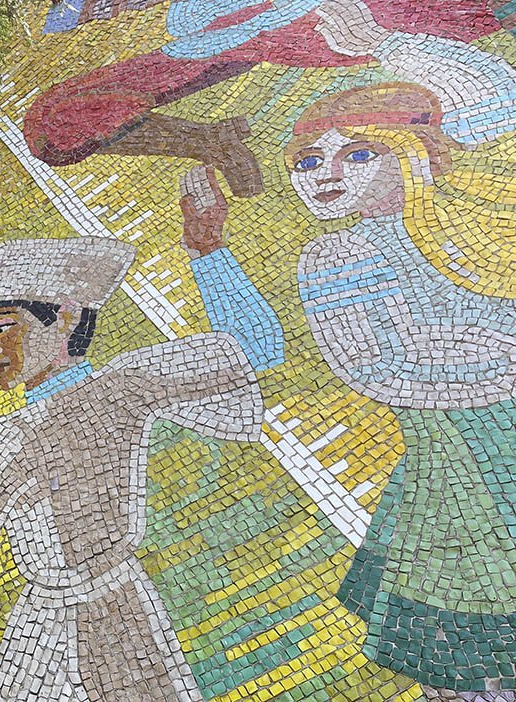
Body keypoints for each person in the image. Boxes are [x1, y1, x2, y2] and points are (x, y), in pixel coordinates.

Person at [181, 81, 516, 699]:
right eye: (307, 162)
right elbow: (368, 365)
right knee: (467, 612)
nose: (323, 176)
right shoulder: (332, 257)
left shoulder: (476, 225)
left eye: (354, 154)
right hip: (452, 447)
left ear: (411, 153)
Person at [0, 236, 264, 701]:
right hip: (45, 625)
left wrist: (209, 253)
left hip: (111, 610)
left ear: (66, 319)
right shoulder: (12, 434)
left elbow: (247, 354)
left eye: (5, 327)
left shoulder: (120, 387)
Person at [24, 0, 516, 198]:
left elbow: (488, 111)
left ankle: (210, 141)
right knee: (52, 125)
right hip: (261, 29)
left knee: (54, 123)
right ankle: (209, 141)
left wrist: (381, 44)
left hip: (321, 27)